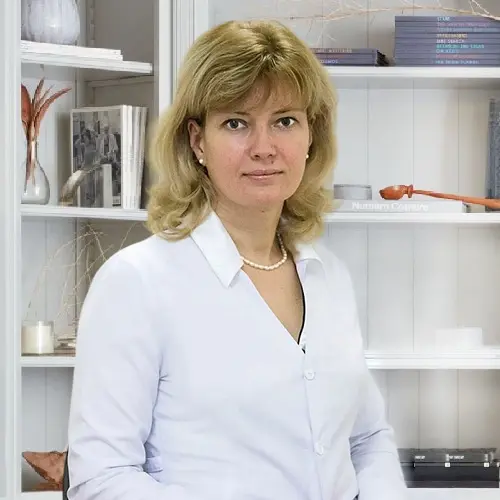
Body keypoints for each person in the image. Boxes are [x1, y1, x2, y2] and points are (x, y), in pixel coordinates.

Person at [66, 19, 408, 500]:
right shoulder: (136, 283)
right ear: (197, 141)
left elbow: (366, 439)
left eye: (285, 121)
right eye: (236, 123)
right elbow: (101, 478)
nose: (264, 148)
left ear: (311, 135)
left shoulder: (329, 276)